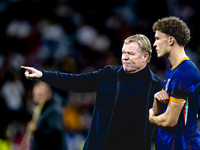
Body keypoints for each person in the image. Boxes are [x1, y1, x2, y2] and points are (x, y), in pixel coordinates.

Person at [21, 34, 163, 150]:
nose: (125, 57)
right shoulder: (109, 75)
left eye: (130, 54)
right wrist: (43, 75)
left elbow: (165, 124)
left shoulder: (157, 86)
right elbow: (75, 82)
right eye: (123, 53)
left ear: (145, 56)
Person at [149, 16, 200, 150]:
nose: (154, 44)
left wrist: (151, 118)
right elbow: (160, 111)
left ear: (171, 40)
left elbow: (170, 121)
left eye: (157, 38)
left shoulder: (185, 72)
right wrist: (156, 99)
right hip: (169, 144)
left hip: (182, 145)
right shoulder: (172, 70)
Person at [21, 81, 67, 150]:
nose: (36, 99)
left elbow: (56, 135)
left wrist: (36, 131)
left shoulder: (54, 110)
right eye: (35, 95)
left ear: (48, 94)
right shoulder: (40, 108)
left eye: (40, 95)